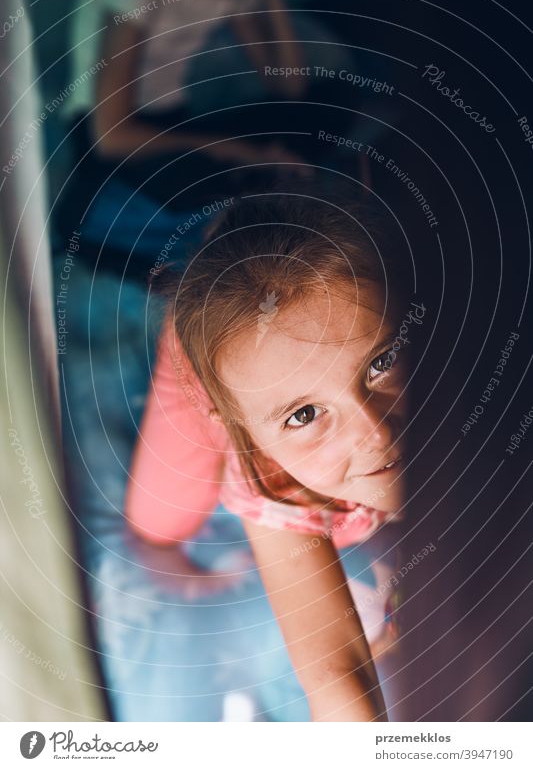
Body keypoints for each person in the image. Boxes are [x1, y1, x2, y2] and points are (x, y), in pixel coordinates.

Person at [125, 178, 411, 721]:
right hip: (211, 370)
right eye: (305, 415)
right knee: (157, 526)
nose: (375, 433)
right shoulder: (274, 480)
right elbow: (335, 673)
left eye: (383, 362)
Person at [58, 0, 324, 225]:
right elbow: (112, 136)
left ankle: (248, 188)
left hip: (172, 120)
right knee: (198, 185)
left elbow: (289, 87)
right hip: (107, 130)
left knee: (315, 114)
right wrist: (240, 151)